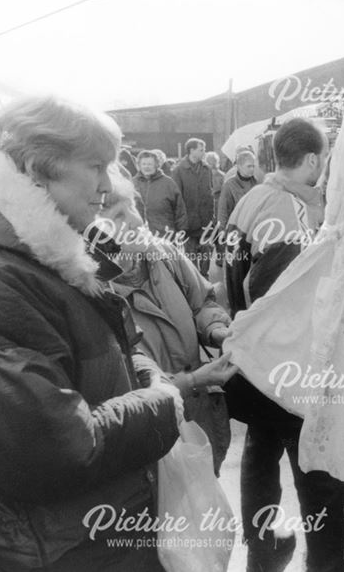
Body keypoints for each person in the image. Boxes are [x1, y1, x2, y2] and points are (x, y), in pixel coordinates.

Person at [0, 96, 182, 571]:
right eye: (96, 166)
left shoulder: (34, 258)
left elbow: (107, 352)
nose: (105, 184)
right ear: (36, 169)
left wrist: (143, 373)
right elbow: (59, 451)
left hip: (76, 537)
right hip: (52, 551)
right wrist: (164, 403)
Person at [224, 118, 344, 572]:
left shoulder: (250, 199)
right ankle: (325, 562)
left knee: (260, 457)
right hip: (288, 361)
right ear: (311, 160)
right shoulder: (293, 211)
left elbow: (232, 277)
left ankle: (262, 552)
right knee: (315, 466)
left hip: (250, 359)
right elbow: (281, 293)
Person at [97, 173, 238, 474]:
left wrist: (216, 330)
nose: (136, 221)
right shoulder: (97, 292)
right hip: (155, 429)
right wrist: (194, 381)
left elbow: (201, 303)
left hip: (200, 414)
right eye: (119, 216)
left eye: (133, 207)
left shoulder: (167, 254)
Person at [172, 138, 215, 276]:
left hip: (205, 222)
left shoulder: (207, 169)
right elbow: (177, 199)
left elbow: (210, 194)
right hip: (188, 223)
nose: (204, 152)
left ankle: (205, 280)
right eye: (201, 149)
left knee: (206, 254)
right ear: (192, 150)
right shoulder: (179, 170)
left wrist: (212, 218)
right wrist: (180, 222)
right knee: (191, 258)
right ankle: (196, 283)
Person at [134, 149, 187, 237]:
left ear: (156, 165)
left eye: (150, 164)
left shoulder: (168, 183)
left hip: (165, 234)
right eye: (144, 164)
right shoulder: (132, 183)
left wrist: (181, 231)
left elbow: (179, 209)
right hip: (140, 236)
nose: (147, 167)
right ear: (139, 165)